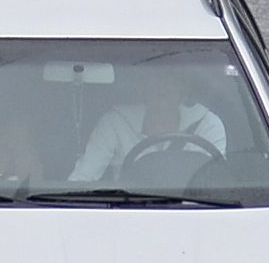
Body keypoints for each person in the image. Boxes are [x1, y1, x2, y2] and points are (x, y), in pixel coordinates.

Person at [71, 60, 229, 184]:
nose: (163, 85)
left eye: (171, 79)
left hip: (196, 213)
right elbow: (83, 178)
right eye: (156, 77)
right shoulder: (115, 122)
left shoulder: (207, 123)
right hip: (127, 210)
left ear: (184, 88)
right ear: (143, 86)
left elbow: (215, 182)